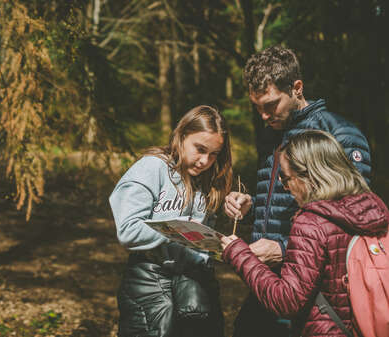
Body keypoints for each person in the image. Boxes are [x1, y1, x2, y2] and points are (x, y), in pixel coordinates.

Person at [223, 45, 372, 337]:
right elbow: (282, 205)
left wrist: (281, 248)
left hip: (316, 295)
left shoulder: (339, 135)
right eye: (257, 107)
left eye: (271, 104)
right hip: (269, 283)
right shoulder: (272, 136)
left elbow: (353, 220)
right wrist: (250, 206)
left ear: (297, 88)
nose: (263, 115)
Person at [220, 130, 388, 337]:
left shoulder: (312, 222)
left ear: (308, 176)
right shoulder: (372, 208)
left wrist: (238, 253)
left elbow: (286, 300)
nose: (283, 184)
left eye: (286, 176)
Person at [109, 105, 233, 337]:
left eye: (214, 154)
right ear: (182, 135)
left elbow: (208, 236)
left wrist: (236, 206)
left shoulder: (208, 178)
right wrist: (178, 230)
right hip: (150, 285)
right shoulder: (151, 168)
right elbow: (128, 231)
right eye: (200, 149)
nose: (205, 160)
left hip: (195, 287)